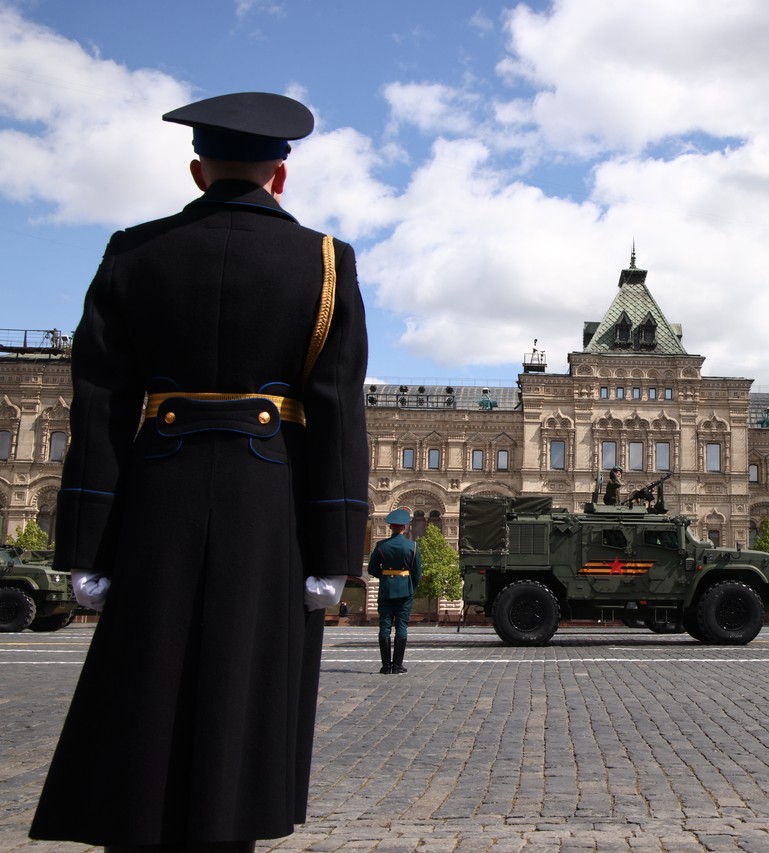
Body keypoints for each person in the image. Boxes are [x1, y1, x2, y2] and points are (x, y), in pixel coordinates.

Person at [29, 92, 370, 851]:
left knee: (143, 688)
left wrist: (84, 544)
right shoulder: (324, 260)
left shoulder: (131, 252)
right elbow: (338, 413)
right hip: (269, 507)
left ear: (197, 172)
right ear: (280, 175)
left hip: (156, 499)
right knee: (244, 695)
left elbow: (101, 405)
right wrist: (334, 553)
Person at [367, 508, 423, 674]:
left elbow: (371, 569)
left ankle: (386, 666)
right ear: (405, 527)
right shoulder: (412, 546)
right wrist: (410, 586)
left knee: (384, 625)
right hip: (405, 590)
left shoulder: (381, 546)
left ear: (391, 527)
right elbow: (417, 573)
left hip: (386, 590)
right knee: (401, 627)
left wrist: (385, 577)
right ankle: (397, 665)